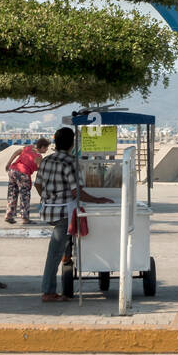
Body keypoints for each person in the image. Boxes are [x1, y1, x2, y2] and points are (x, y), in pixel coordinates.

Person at [37, 126, 112, 303]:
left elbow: (38, 185)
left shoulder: (46, 160)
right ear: (72, 143)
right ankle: (48, 291)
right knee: (54, 252)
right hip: (64, 213)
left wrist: (48, 199)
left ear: (55, 141)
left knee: (61, 248)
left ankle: (67, 260)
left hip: (48, 211)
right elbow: (76, 192)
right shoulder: (71, 162)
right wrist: (98, 200)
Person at [4, 137, 48, 225]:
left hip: (12, 170)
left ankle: (9, 215)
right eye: (46, 148)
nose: (47, 150)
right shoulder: (39, 157)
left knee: (12, 194)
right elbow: (40, 169)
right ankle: (25, 218)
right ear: (42, 147)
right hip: (23, 174)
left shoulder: (29, 147)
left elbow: (16, 153)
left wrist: (8, 163)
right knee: (25, 196)